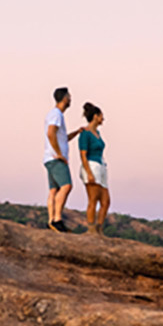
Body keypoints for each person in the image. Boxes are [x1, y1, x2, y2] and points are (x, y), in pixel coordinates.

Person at [44, 87, 74, 232]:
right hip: (56, 158)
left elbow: (62, 138)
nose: (70, 98)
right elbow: (51, 133)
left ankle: (51, 221)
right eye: (69, 96)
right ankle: (57, 220)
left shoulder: (55, 115)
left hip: (49, 158)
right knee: (66, 186)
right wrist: (59, 153)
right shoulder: (56, 114)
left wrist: (77, 132)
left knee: (54, 190)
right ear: (64, 98)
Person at [77, 102, 109, 235]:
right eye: (101, 116)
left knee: (105, 201)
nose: (103, 119)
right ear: (95, 116)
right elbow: (83, 155)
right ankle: (91, 229)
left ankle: (99, 228)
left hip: (101, 166)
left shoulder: (97, 133)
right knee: (93, 199)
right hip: (91, 166)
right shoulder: (85, 134)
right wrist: (89, 173)